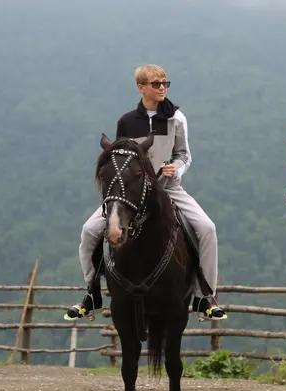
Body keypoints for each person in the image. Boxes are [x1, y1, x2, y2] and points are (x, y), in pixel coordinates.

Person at [64, 64, 227, 322]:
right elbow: (119, 159)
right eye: (156, 84)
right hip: (131, 194)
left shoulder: (176, 119)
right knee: (89, 231)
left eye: (165, 83)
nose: (162, 88)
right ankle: (92, 293)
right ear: (141, 87)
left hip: (169, 190)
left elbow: (184, 155)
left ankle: (204, 296)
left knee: (207, 229)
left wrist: (178, 169)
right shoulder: (126, 121)